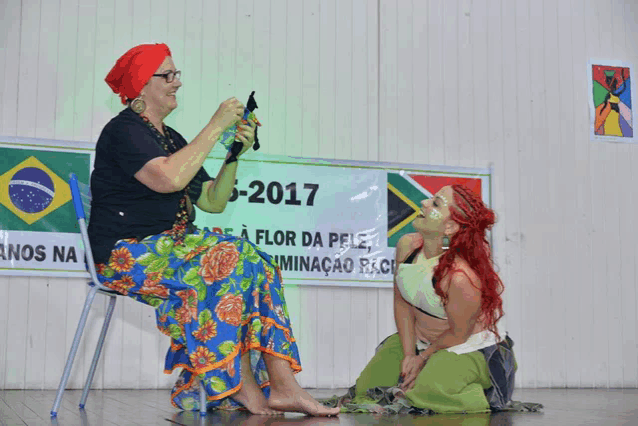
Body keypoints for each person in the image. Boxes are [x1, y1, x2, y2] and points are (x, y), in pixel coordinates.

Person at [88, 43, 339, 417]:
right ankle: (241, 385)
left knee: (259, 261)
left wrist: (234, 152)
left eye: (177, 75)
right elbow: (170, 177)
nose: (177, 83)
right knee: (228, 258)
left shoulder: (170, 138)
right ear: (141, 85)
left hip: (169, 248)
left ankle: (283, 385)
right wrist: (216, 124)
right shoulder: (122, 131)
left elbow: (212, 201)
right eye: (168, 75)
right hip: (125, 253)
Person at [331, 184, 519, 414]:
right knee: (367, 389)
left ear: (449, 226)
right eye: (431, 199)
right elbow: (402, 303)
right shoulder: (406, 246)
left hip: (467, 347)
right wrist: (410, 354)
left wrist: (424, 359)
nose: (424, 203)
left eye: (436, 203)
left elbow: (459, 334)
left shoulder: (460, 277)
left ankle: (479, 394)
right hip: (420, 342)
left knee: (427, 392)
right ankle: (419, 375)